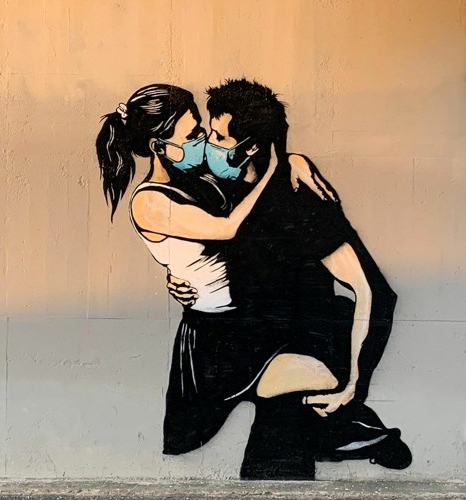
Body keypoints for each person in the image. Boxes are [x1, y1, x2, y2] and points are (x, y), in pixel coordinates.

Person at [166, 79, 412, 479]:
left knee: (271, 465)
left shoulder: (299, 201)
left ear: (249, 147)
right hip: (246, 348)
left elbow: (373, 291)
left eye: (219, 137)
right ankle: (350, 429)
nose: (209, 145)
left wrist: (354, 385)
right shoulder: (220, 190)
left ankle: (350, 425)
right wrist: (181, 279)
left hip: (295, 352)